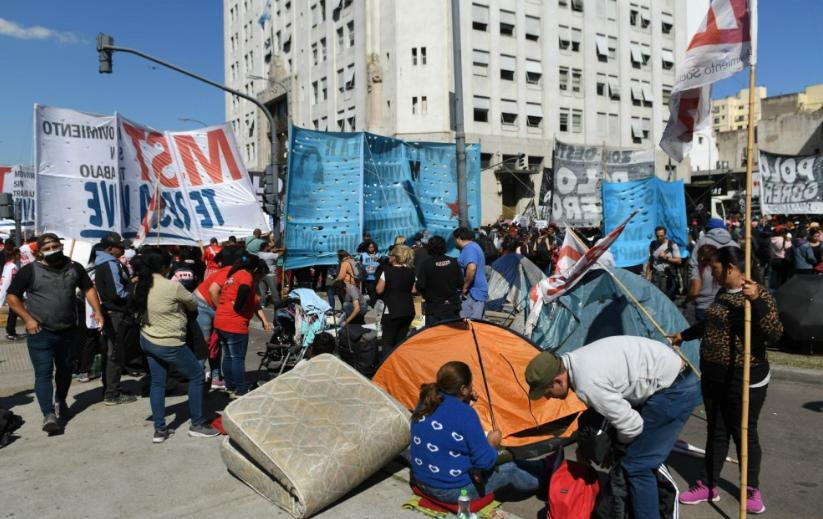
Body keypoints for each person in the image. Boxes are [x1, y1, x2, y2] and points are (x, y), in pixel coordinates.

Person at [526, 336, 700, 519]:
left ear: (558, 381)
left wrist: (616, 445)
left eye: (547, 392)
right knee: (637, 457)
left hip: (675, 390)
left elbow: (633, 426)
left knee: (638, 466)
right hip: (671, 377)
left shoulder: (587, 384)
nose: (548, 397)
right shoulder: (575, 360)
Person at [672, 246, 782, 514]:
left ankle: (751, 488)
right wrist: (683, 336)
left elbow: (775, 333)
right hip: (714, 376)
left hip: (744, 378)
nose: (713, 275)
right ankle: (708, 484)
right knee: (717, 432)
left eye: (717, 269)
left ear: (731, 267)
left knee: (744, 433)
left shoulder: (760, 294)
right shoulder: (723, 292)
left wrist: (756, 300)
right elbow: (711, 324)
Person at [6, 233, 105, 434]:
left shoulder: (74, 267)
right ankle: (48, 414)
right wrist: (28, 319)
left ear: (61, 246)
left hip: (68, 330)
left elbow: (88, 289)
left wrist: (97, 311)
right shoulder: (30, 271)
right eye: (47, 246)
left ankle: (61, 401)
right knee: (43, 374)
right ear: (39, 251)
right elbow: (12, 297)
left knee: (65, 370)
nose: (52, 249)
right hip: (40, 331)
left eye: (54, 245)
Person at [410, 361, 545, 504]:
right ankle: (548, 481)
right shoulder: (466, 414)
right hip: (450, 491)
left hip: (421, 480)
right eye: (470, 385)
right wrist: (491, 443)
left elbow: (446, 425)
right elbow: (484, 463)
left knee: (506, 460)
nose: (472, 387)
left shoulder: (427, 400)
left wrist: (465, 401)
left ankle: (541, 466)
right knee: (509, 469)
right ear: (463, 389)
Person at [132, 247, 219, 443]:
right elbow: (193, 303)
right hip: (169, 342)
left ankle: (160, 430)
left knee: (157, 382)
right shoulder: (173, 286)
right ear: (164, 266)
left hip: (147, 339)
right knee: (197, 375)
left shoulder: (141, 285)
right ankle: (197, 423)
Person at [214, 255, 273, 396]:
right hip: (234, 324)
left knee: (228, 356)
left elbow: (255, 303)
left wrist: (265, 321)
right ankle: (241, 389)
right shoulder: (247, 277)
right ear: (256, 270)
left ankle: (230, 385)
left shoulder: (235, 275)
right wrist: (239, 307)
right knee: (237, 358)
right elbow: (244, 291)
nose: (259, 280)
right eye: (260, 276)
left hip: (221, 320)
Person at [95, 232, 138, 406]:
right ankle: (112, 393)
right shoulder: (110, 263)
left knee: (110, 351)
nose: (122, 249)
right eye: (119, 246)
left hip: (111, 312)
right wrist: (134, 292)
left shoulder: (103, 262)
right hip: (117, 313)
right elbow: (117, 293)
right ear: (109, 249)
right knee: (116, 352)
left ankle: (109, 388)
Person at [688, 218, 737, 322]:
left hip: (704, 301)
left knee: (702, 333)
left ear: (708, 229)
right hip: (729, 300)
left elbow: (693, 267)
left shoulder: (701, 243)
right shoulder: (734, 244)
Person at [376, 244, 415, 360]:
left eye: (390, 255)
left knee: (387, 340)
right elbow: (414, 290)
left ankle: (386, 366)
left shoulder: (387, 271)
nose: (388, 257)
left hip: (392, 309)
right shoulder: (411, 272)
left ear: (395, 257)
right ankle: (398, 364)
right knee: (401, 340)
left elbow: (379, 289)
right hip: (408, 309)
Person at [416, 236, 463, 325]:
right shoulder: (453, 261)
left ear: (429, 248)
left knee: (436, 337)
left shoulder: (426, 264)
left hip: (434, 308)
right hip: (452, 306)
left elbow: (420, 286)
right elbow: (460, 283)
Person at [453, 227, 488, 320]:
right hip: (475, 293)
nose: (454, 242)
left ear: (459, 238)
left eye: (454, 239)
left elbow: (471, 268)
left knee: (469, 325)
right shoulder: (473, 246)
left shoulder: (469, 249)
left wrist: (465, 287)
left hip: (472, 294)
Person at [646, 226, 682, 300]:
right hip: (655, 275)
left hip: (667, 275)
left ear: (665, 235)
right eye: (657, 236)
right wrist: (648, 275)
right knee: (655, 297)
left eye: (661, 236)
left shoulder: (671, 245)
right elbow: (650, 260)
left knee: (666, 298)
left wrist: (666, 258)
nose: (659, 238)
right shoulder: (653, 244)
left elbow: (679, 261)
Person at [0, 246, 22, 340]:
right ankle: (11, 333)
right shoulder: (13, 266)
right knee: (14, 312)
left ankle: (10, 331)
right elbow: (14, 280)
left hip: (6, 291)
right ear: (15, 255)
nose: (20, 256)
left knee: (13, 312)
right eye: (19, 254)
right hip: (12, 292)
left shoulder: (7, 264)